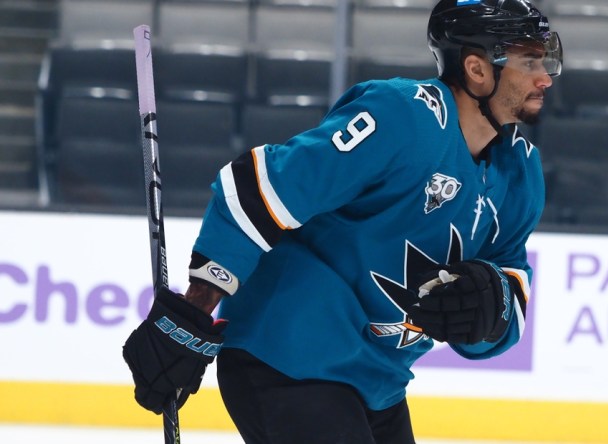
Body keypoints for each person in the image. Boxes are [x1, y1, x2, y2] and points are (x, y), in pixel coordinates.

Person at [122, 0, 562, 442]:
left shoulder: (519, 173)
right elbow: (264, 188)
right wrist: (192, 312)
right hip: (288, 353)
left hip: (379, 381)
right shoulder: (404, 118)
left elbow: (511, 285)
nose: (544, 77)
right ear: (478, 69)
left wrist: (491, 311)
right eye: (529, 62)